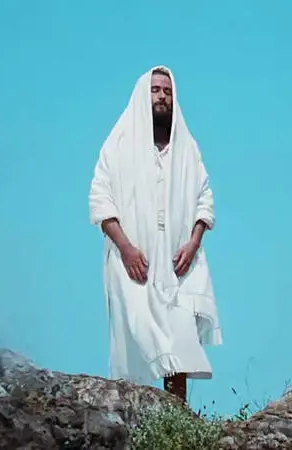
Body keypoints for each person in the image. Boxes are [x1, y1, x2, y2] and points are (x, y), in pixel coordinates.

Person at [88, 66, 222, 402]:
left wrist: (193, 243)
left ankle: (176, 416)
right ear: (142, 95)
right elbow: (100, 198)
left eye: (167, 91)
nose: (162, 97)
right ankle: (135, 415)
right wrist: (126, 249)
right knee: (140, 336)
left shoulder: (186, 148)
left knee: (180, 339)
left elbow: (204, 198)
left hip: (177, 261)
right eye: (155, 90)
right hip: (133, 260)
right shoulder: (119, 144)